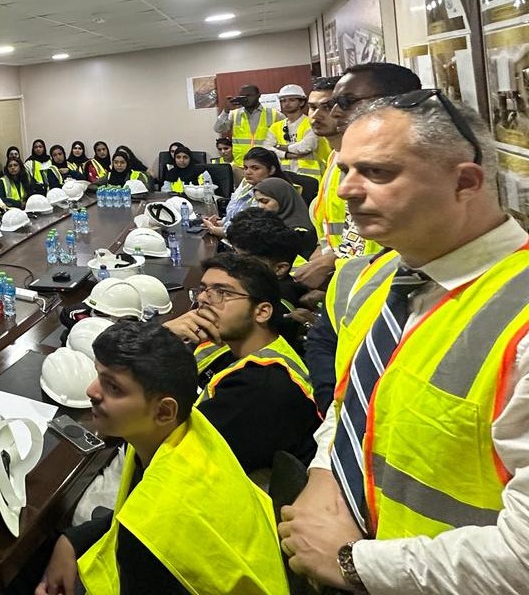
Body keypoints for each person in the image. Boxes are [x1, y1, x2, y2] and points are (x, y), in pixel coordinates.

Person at [278, 92, 529, 594]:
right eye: (345, 169)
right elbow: (354, 404)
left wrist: (354, 564)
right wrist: (325, 476)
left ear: (465, 182)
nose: (346, 189)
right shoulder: (379, 279)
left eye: (377, 172)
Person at [36, 321, 288, 595]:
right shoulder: (184, 429)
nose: (91, 391)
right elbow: (132, 508)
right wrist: (71, 541)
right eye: (99, 375)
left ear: (164, 412)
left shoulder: (151, 533)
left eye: (114, 387)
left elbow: (145, 524)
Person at [161, 254, 322, 473]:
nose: (204, 299)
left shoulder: (263, 386)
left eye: (222, 292)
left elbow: (178, 454)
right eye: (204, 289)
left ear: (262, 312)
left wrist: (160, 337)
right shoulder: (223, 346)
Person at [293, 64, 422, 292]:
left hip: (382, 281)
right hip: (355, 277)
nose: (334, 113)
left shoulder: (412, 162)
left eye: (346, 102)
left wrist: (332, 264)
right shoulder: (336, 158)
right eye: (313, 107)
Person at [225, 208, 313, 316]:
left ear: (279, 268)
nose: (233, 263)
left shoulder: (274, 304)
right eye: (234, 252)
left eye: (244, 259)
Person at [202, 147, 288, 238]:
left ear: (271, 170)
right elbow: (235, 212)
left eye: (255, 168)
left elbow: (248, 231)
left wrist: (213, 229)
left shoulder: (272, 192)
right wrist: (221, 222)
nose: (248, 172)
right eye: (245, 168)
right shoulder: (246, 183)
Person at [214, 84, 281, 167]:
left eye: (249, 95)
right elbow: (219, 129)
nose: (246, 98)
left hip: (264, 165)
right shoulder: (234, 114)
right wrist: (226, 111)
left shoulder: (274, 114)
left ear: (258, 95)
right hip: (241, 165)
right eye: (243, 96)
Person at [264, 84, 321, 179]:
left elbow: (306, 147)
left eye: (292, 100)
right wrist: (286, 155)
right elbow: (268, 149)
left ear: (302, 102)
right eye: (283, 101)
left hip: (310, 177)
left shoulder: (311, 123)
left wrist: (279, 147)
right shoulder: (275, 127)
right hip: (285, 177)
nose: (287, 103)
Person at [252, 176, 318, 257]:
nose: (260, 206)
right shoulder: (268, 224)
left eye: (265, 201)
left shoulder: (299, 232)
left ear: (282, 199)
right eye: (258, 201)